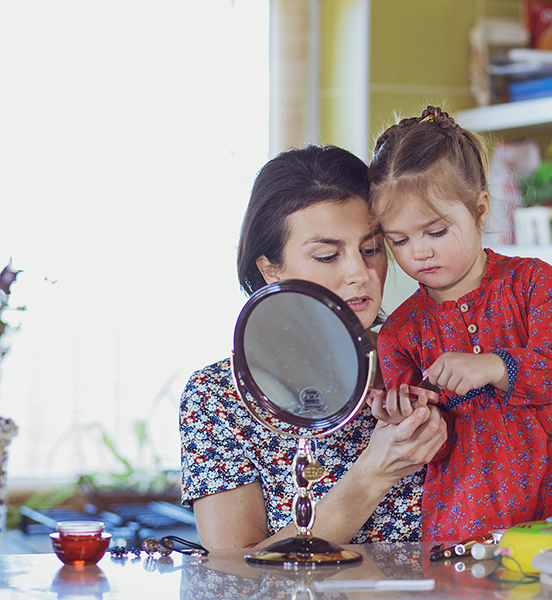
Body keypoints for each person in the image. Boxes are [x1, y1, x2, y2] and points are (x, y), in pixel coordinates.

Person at [180, 144, 447, 549]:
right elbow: (233, 577)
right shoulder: (219, 398)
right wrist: (373, 474)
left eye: (371, 249)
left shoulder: (434, 369)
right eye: (327, 255)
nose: (360, 273)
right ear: (270, 268)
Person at [367, 106, 552, 542]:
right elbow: (421, 434)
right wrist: (400, 409)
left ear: (479, 210)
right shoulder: (401, 332)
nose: (418, 252)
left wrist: (495, 366)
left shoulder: (532, 281)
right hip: (467, 521)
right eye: (399, 240)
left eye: (436, 232)